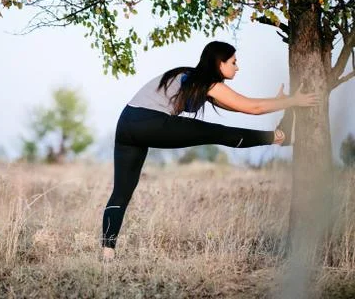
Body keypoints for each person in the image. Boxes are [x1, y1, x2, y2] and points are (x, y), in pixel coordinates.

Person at [102, 41, 320, 261]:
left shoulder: (191, 78)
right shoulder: (207, 82)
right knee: (218, 132)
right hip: (150, 121)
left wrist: (280, 102)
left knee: (121, 192)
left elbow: (241, 106)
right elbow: (252, 108)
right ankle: (279, 137)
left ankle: (107, 252)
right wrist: (294, 101)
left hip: (126, 124)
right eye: (234, 62)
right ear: (220, 62)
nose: (238, 67)